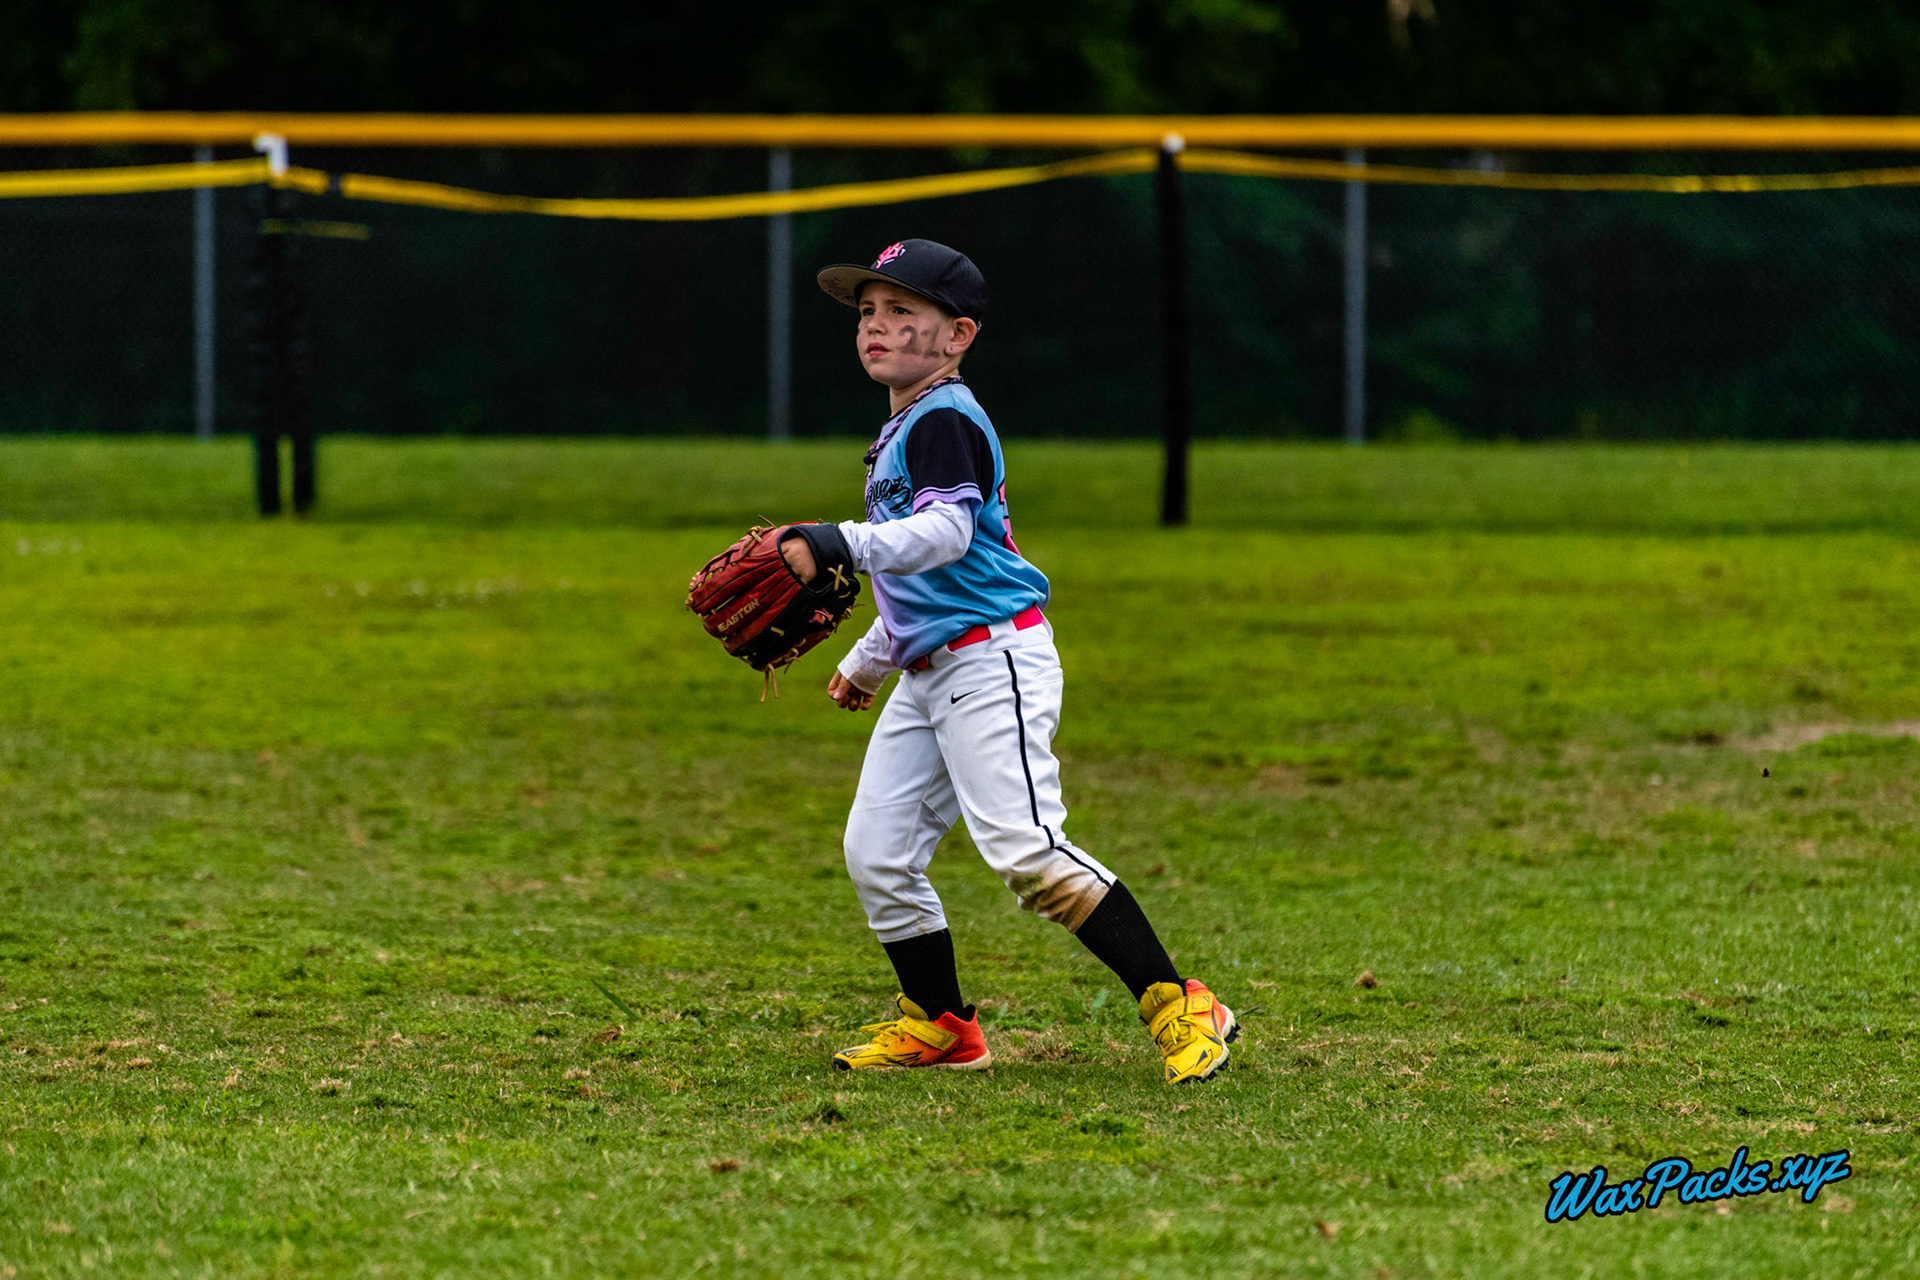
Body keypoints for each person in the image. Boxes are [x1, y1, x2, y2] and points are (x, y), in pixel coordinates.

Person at [778, 239, 1239, 1084]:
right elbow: (927, 576)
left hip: (993, 661)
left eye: (902, 311)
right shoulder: (906, 425)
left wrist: (839, 539)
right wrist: (872, 658)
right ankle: (944, 1025)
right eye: (868, 311)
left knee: (1027, 852)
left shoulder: (945, 418)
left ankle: (1181, 1003)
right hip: (930, 670)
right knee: (878, 853)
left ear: (958, 335)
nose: (876, 325)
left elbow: (947, 535)